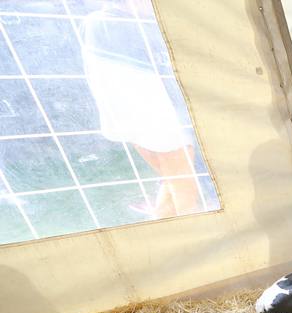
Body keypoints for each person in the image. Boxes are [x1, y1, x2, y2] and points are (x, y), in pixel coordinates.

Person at [80, 0, 202, 219]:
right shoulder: (136, 27)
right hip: (162, 124)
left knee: (174, 183)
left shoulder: (94, 24)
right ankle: (191, 237)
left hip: (133, 124)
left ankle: (164, 224)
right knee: (185, 196)